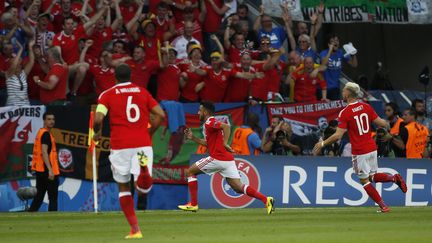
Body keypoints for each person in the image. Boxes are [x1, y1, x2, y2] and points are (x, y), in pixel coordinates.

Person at [93, 64, 165, 239]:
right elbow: (160, 114)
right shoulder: (142, 92)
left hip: (120, 145)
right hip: (142, 143)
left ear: (115, 77)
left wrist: (96, 132)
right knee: (142, 189)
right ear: (130, 76)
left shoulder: (107, 95)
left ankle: (135, 229)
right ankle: (143, 170)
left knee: (124, 186)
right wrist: (150, 132)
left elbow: (98, 117)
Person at [313, 82, 407, 213]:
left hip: (360, 151)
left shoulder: (345, 113)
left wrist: (322, 143)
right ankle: (394, 178)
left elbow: (338, 135)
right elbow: (383, 123)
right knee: (373, 177)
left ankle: (383, 206)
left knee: (365, 181)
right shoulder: (366, 107)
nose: (342, 93)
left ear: (348, 94)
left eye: (344, 91)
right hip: (371, 147)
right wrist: (388, 133)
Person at [178, 101, 275, 214]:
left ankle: (193, 204)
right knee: (238, 187)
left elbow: (226, 126)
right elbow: (208, 144)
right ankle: (266, 200)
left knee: (190, 171)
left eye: (200, 110)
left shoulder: (210, 122)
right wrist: (193, 138)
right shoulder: (208, 125)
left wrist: (225, 143)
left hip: (217, 158)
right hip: (227, 160)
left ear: (205, 111)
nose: (198, 112)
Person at [28, 111, 60, 212]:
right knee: (53, 198)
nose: (51, 121)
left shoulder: (41, 132)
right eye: (49, 119)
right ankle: (53, 220)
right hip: (47, 170)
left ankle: (30, 214)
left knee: (39, 197)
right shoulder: (46, 134)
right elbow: (44, 152)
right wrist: (50, 170)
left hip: (40, 170)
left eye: (53, 119)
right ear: (44, 120)